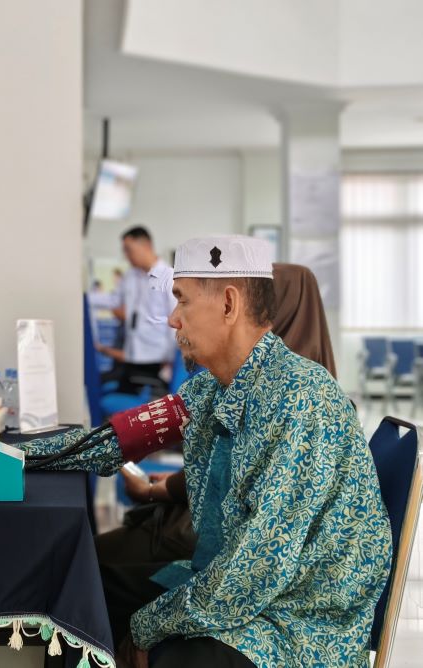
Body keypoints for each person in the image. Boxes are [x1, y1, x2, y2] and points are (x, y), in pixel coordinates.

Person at [22, 236, 391, 667]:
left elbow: (256, 571)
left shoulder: (301, 400)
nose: (173, 320)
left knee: (172, 651)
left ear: (229, 305)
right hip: (237, 592)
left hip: (297, 621)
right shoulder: (213, 386)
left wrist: (147, 628)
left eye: (183, 301)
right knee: (83, 593)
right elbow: (115, 441)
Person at [98, 262, 341, 571]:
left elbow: (248, 498)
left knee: (97, 565)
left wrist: (157, 489)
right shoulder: (289, 382)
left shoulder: (293, 397)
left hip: (231, 559)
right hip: (230, 542)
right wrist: (175, 483)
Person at [97, 226, 176, 394]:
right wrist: (84, 299)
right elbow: (113, 300)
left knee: (124, 403)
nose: (126, 256)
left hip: (156, 359)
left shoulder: (168, 277)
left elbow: (175, 319)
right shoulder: (130, 276)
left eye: (129, 250)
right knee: (106, 389)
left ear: (146, 245)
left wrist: (170, 359)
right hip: (132, 354)